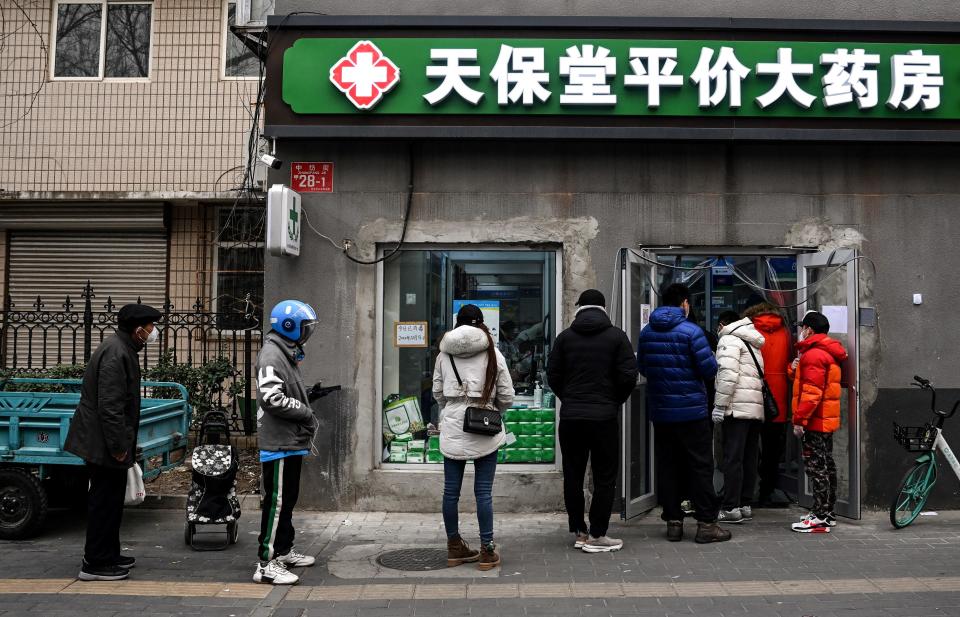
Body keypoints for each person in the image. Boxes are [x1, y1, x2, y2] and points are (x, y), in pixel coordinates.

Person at [65, 303, 163, 581]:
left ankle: (108, 554)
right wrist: (119, 446)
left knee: (110, 501)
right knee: (103, 502)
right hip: (104, 443)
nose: (153, 332)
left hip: (106, 441)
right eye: (151, 327)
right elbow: (110, 406)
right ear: (138, 330)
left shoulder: (122, 349)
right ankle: (95, 563)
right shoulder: (116, 353)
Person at [637, 283, 729, 544]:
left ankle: (674, 522)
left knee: (668, 465)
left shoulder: (647, 333)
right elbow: (709, 370)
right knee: (700, 466)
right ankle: (706, 524)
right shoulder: (693, 332)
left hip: (662, 412)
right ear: (685, 304)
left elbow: (642, 366)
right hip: (692, 413)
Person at [547, 289, 637, 553]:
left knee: (573, 476)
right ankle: (598, 535)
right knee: (605, 477)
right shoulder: (617, 337)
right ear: (603, 308)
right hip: (604, 417)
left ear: (579, 308)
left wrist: (570, 397)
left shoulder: (565, 338)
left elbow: (553, 374)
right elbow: (629, 376)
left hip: (572, 416)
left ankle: (579, 531)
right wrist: (613, 401)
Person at [433, 304, 514, 571]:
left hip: (454, 425)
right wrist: (493, 410)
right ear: (481, 324)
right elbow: (507, 395)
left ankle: (454, 547)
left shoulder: (444, 354)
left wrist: (453, 406)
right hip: (485, 425)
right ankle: (487, 551)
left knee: (450, 491)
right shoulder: (493, 353)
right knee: (483, 493)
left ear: (457, 323)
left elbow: (438, 392)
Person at [253, 300, 320, 585]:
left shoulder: (285, 352)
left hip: (289, 440)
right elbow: (271, 398)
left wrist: (306, 395)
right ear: (289, 327)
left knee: (287, 500)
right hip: (279, 442)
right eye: (304, 328)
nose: (307, 333)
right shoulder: (272, 355)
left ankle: (282, 551)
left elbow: (283, 390)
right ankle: (266, 564)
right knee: (277, 503)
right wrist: (305, 411)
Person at [789, 311, 848, 533]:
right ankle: (827, 512)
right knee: (826, 464)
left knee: (816, 468)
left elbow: (811, 393)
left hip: (814, 420)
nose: (801, 331)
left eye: (802, 327)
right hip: (825, 419)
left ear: (809, 330)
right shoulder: (826, 352)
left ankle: (820, 516)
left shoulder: (814, 355)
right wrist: (794, 368)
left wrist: (799, 420)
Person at [712, 310, 765, 524]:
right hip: (753, 408)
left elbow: (727, 375)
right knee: (749, 457)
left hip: (736, 408)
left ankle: (731, 507)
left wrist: (719, 405)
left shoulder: (729, 340)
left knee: (732, 458)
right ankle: (744, 503)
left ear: (722, 324)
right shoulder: (752, 340)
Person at [744, 302, 793, 508]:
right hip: (778, 397)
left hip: (752, 392)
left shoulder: (747, 330)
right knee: (773, 449)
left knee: (749, 446)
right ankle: (767, 491)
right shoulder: (786, 332)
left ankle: (747, 491)